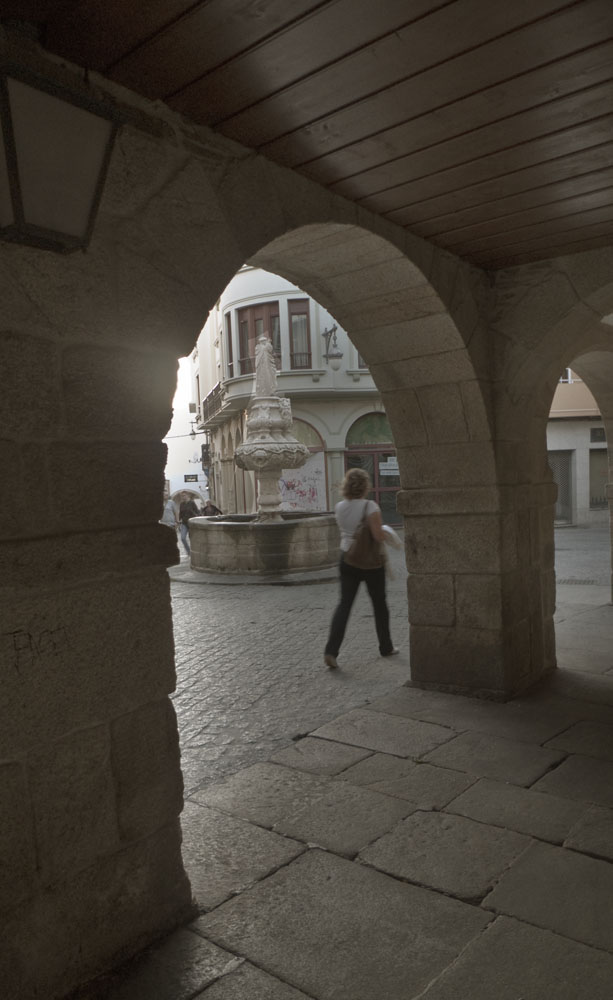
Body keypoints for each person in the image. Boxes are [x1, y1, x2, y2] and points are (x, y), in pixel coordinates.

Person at [324, 467, 398, 669]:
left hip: (347, 558)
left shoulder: (340, 507)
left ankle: (331, 651)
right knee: (379, 604)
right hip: (371, 562)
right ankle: (386, 646)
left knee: (344, 605)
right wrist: (386, 532)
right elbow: (377, 536)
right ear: (365, 486)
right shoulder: (370, 506)